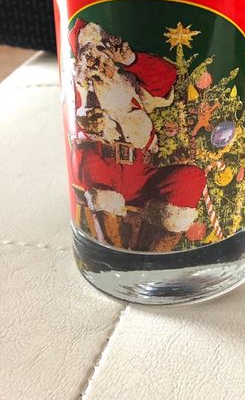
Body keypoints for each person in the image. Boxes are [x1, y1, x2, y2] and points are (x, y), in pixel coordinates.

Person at [68, 19, 206, 251]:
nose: (98, 62)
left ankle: (153, 257)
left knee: (189, 177)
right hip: (101, 164)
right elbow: (71, 112)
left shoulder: (127, 86)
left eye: (102, 53)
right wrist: (84, 121)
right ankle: (113, 256)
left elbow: (166, 78)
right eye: (90, 56)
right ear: (80, 62)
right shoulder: (78, 88)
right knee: (92, 163)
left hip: (142, 172)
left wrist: (131, 60)